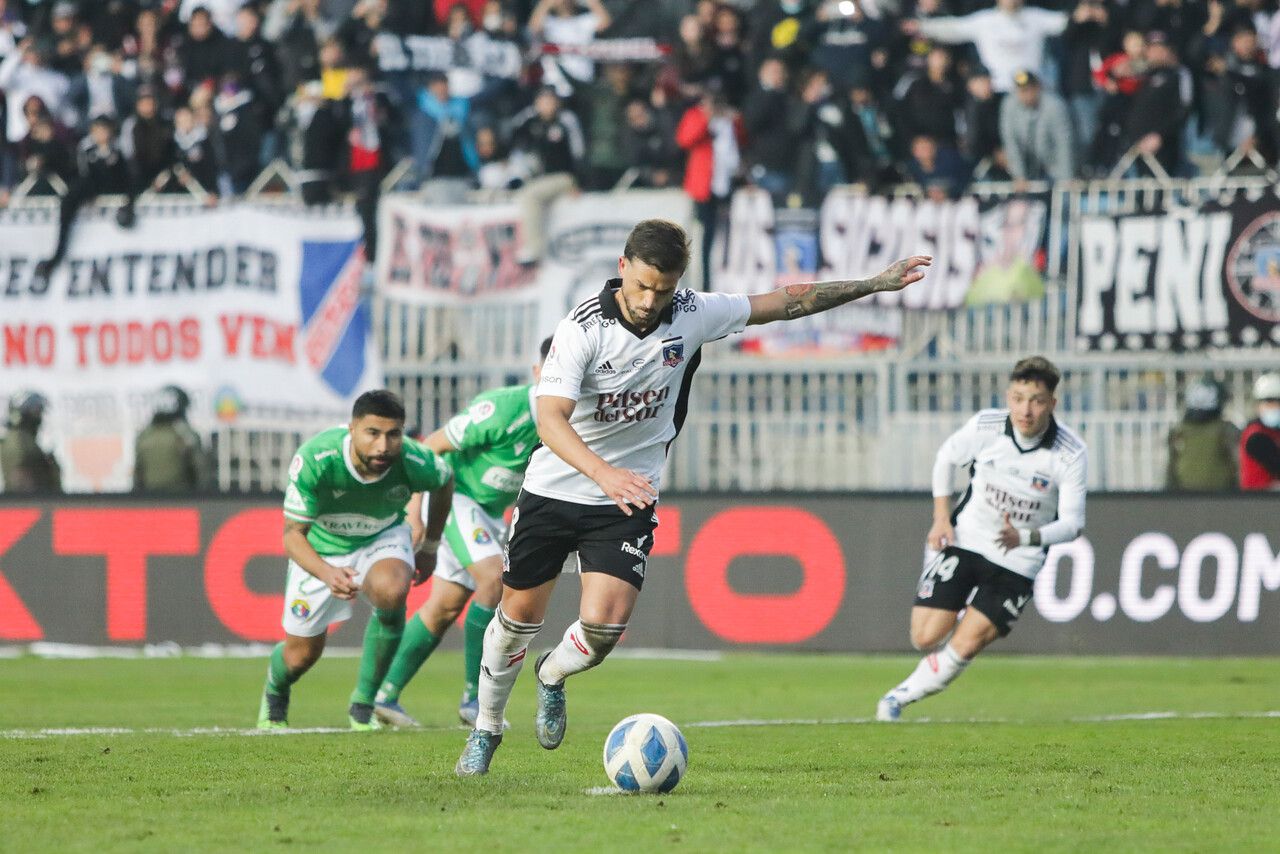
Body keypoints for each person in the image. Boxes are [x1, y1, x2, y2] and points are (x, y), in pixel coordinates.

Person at [455, 218, 931, 775]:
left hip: (626, 494)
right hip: (556, 490)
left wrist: (873, 284)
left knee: (604, 629)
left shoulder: (692, 312)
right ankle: (486, 729)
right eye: (642, 286)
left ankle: (552, 674)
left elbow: (785, 302)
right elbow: (550, 419)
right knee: (516, 619)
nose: (650, 301)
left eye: (663, 289)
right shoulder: (580, 329)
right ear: (622, 268)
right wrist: (603, 473)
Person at [875, 356, 1087, 722]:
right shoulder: (986, 426)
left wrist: (1025, 536)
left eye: (1036, 400)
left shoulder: (1069, 453)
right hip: (967, 540)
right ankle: (936, 560)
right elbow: (945, 458)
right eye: (1019, 398)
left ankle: (895, 700)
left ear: (1052, 404)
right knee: (924, 638)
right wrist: (941, 518)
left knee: (967, 642)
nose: (1026, 410)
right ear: (1008, 397)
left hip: (1018, 561)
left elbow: (1072, 524)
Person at [373, 338, 552, 728]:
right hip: (454, 497)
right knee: (492, 580)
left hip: (488, 514)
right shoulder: (502, 408)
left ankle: (383, 696)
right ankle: (474, 699)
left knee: (443, 608)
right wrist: (415, 510)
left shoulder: (571, 418)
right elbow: (429, 448)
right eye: (551, 373)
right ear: (537, 373)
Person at [257, 390, 455, 731]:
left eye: (393, 435)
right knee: (300, 656)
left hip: (382, 537)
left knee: (393, 590)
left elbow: (445, 480)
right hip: (322, 548)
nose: (383, 446)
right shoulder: (317, 459)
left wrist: (431, 546)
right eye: (373, 433)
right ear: (352, 429)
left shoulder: (413, 459)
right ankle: (276, 690)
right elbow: (292, 535)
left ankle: (364, 703)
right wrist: (327, 572)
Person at [133, 385, 210, 493]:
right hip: (182, 499)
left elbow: (137, 477)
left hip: (150, 501)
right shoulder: (186, 435)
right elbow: (201, 474)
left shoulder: (143, 437)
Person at [1166, 378, 1239, 492]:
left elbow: (1171, 470)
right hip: (1220, 498)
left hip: (1193, 497)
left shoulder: (1179, 431)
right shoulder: (1227, 430)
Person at [0, 391, 61, 494]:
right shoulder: (18, 443)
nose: (39, 418)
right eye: (36, 412)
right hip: (27, 506)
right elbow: (21, 484)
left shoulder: (25, 441)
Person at [1240, 372, 1280, 491]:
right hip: (1258, 502)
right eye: (1269, 402)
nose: (1274, 406)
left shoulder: (1274, 432)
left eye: (1277, 402)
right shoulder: (1255, 436)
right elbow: (1276, 465)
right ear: (1258, 405)